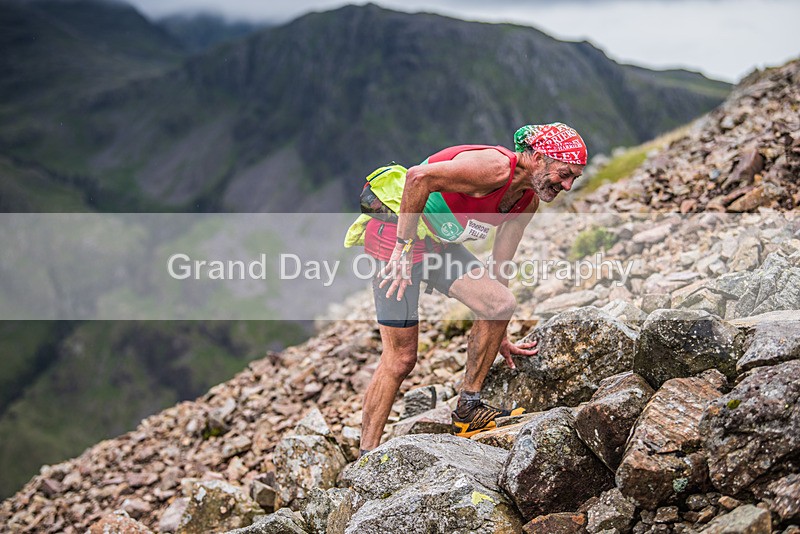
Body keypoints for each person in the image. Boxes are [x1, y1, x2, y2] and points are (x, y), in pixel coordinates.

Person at [354, 122, 587, 455]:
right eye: (564, 173)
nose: (566, 185)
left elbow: (500, 267)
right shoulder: (493, 168)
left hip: (439, 246)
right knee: (401, 358)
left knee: (501, 303)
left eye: (573, 178)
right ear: (538, 157)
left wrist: (497, 329)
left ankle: (469, 409)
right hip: (396, 241)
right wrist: (402, 249)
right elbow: (418, 177)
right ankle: (367, 454)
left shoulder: (526, 203)